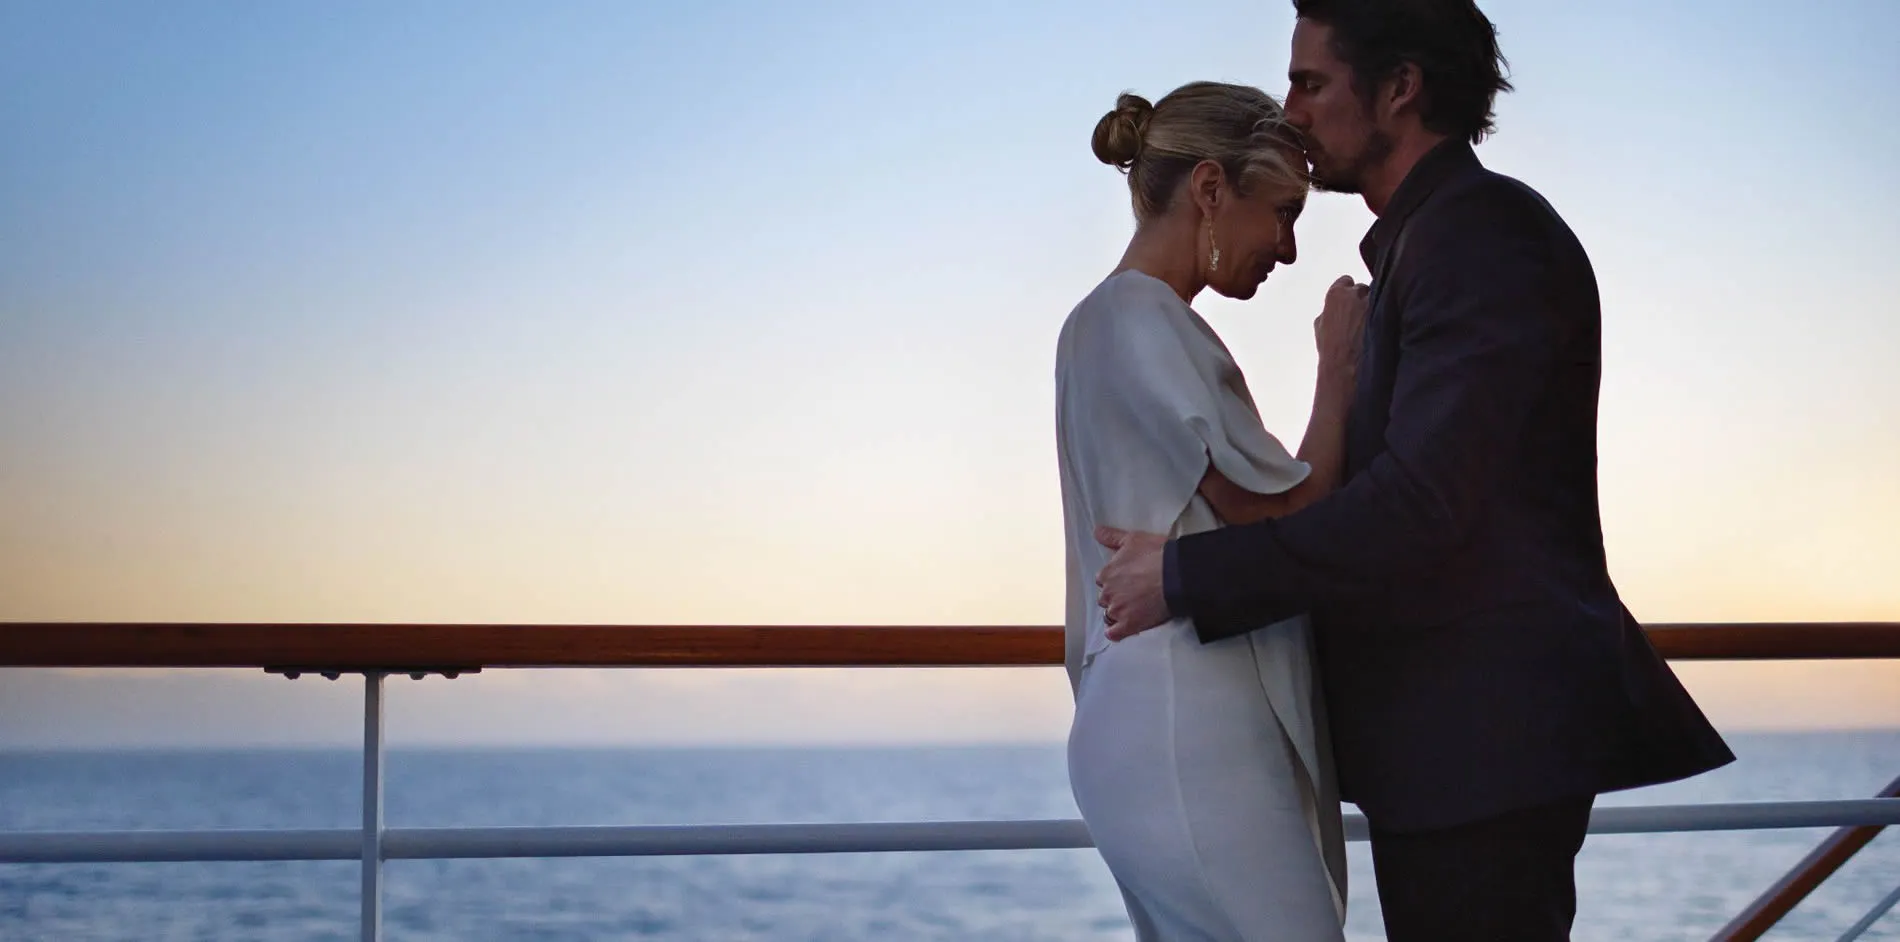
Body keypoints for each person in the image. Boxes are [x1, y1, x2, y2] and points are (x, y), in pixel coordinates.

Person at [1091, 3, 1736, 940]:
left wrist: (1182, 576)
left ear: (1400, 88)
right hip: (1450, 752)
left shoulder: (1483, 236)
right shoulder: (1429, 246)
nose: (1291, 112)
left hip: (1485, 750)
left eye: (1310, 83)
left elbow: (1422, 510)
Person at [1056, 80, 1371, 941]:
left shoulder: (1093, 325)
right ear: (1208, 189)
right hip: (1188, 721)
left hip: (1138, 717)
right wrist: (1337, 370)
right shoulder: (1144, 318)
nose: (1289, 247)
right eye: (1281, 211)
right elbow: (1288, 512)